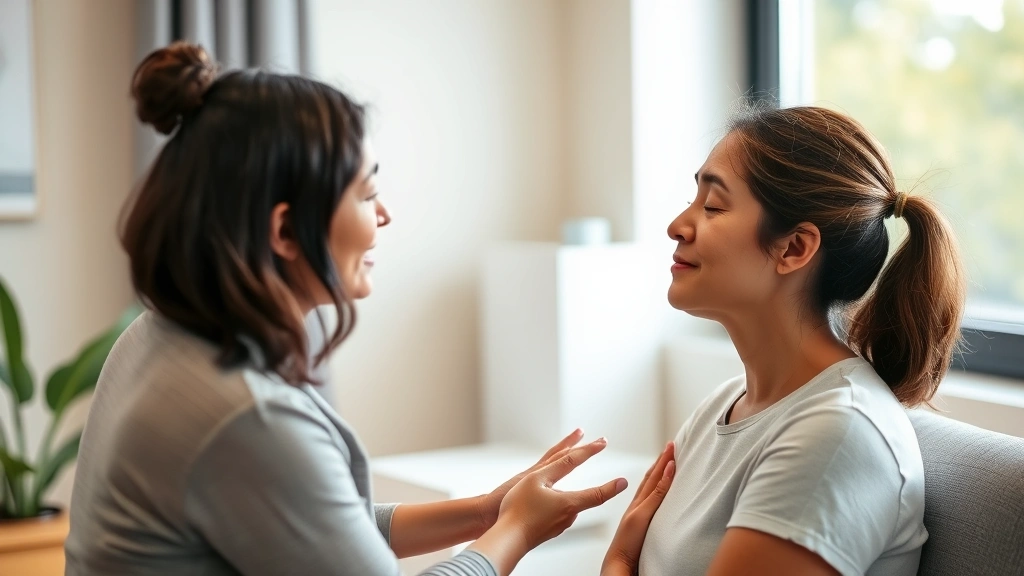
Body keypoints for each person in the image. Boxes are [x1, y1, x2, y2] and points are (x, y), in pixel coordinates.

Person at [65, 42, 674, 576]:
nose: (384, 217)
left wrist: (488, 510)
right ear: (285, 232)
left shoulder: (156, 336)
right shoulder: (247, 418)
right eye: (367, 192)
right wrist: (513, 533)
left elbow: (321, 526)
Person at [640, 105, 965, 576]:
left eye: (712, 206)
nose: (678, 225)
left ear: (794, 248)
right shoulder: (722, 406)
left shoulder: (837, 436)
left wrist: (618, 561)